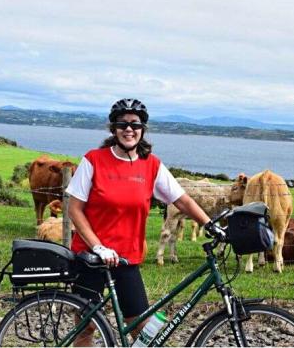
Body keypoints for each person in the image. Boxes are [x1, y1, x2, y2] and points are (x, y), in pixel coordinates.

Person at [66, 98, 223, 345]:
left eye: (135, 124)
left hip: (127, 257)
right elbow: (74, 210)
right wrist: (97, 246)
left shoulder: (151, 165)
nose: (129, 129)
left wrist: (209, 224)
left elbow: (182, 200)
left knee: (141, 329)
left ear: (142, 129)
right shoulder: (93, 160)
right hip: (91, 256)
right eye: (123, 124)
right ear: (113, 129)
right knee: (86, 328)